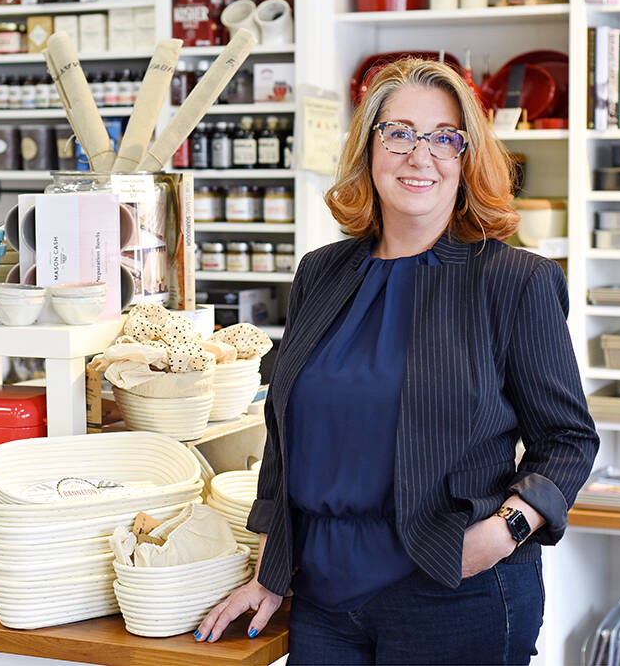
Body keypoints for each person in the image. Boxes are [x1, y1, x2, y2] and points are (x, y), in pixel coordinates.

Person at [195, 58, 599, 665]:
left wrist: (504, 533)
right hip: (323, 597)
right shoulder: (321, 273)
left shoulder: (515, 281)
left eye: (444, 138)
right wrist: (269, 572)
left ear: (466, 159)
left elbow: (567, 440)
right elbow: (285, 437)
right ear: (369, 147)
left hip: (454, 593)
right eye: (400, 132)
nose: (421, 155)